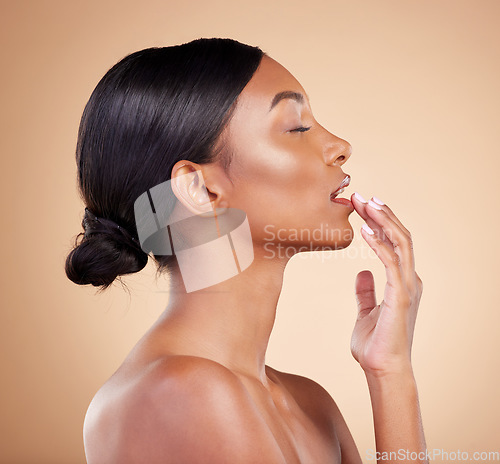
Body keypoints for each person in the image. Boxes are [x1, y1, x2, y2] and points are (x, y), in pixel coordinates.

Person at [66, 38, 427, 464]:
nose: (340, 146)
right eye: (296, 128)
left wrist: (390, 369)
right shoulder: (180, 392)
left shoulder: (312, 405)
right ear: (200, 188)